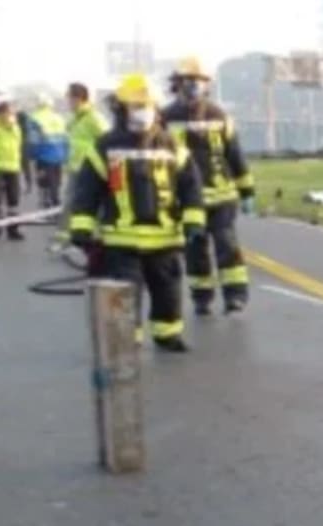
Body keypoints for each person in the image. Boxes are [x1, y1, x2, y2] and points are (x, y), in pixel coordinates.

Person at [69, 74, 205, 352]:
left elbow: (191, 187)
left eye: (147, 105)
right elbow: (87, 190)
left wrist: (193, 221)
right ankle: (127, 339)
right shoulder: (106, 147)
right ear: (121, 108)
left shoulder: (171, 146)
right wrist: (81, 227)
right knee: (125, 294)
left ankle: (168, 334)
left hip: (165, 240)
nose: (142, 112)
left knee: (168, 291)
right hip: (121, 242)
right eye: (135, 105)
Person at [161, 57, 256, 315]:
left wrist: (246, 190)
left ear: (206, 85)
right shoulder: (165, 118)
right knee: (195, 250)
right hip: (186, 200)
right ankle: (202, 297)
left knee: (227, 246)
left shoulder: (219, 115)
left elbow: (234, 153)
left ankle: (235, 296)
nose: (193, 87)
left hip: (222, 196)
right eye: (188, 82)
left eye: (199, 82)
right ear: (177, 85)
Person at [59, 82, 109, 240]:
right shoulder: (75, 118)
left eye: (69, 98)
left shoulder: (94, 117)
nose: (67, 102)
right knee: (70, 202)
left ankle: (98, 237)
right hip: (75, 167)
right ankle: (67, 236)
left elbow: (106, 140)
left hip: (90, 169)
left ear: (79, 98)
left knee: (92, 203)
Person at [26, 93, 68, 209]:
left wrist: (31, 154)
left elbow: (33, 140)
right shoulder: (59, 118)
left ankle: (46, 205)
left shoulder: (34, 118)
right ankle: (56, 205)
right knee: (56, 182)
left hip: (43, 155)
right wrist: (66, 155)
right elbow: (66, 138)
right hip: (59, 155)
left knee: (43, 183)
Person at [0, 93, 27, 241]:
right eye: (6, 113)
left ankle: (13, 229)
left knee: (13, 201)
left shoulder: (16, 128)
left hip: (13, 167)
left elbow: (19, 145)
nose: (9, 116)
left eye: (11, 113)